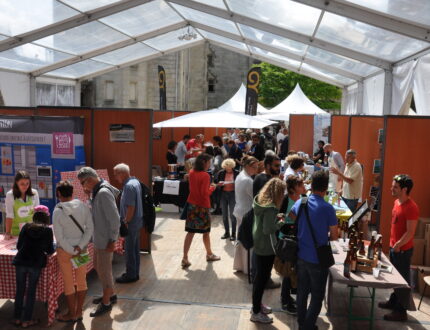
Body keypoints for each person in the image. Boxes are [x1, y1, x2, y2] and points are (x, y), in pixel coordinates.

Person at [290, 170, 338, 330]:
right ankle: (308, 326)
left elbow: (291, 217)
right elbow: (334, 236)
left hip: (301, 256)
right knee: (317, 296)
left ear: (311, 185)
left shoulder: (302, 202)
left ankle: (302, 323)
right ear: (325, 189)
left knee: (302, 292)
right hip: (318, 259)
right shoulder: (328, 208)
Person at [77, 167, 120, 317]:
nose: (83, 186)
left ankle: (106, 303)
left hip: (105, 240)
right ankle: (111, 294)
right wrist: (89, 197)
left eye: (83, 183)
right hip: (99, 237)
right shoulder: (98, 189)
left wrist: (112, 240)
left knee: (104, 271)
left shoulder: (102, 193)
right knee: (98, 266)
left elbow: (115, 219)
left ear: (89, 180)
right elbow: (97, 210)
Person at [378, 174, 418, 322]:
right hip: (395, 248)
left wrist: (398, 245)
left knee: (402, 282)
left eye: (395, 187)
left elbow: (410, 232)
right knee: (395, 278)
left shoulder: (411, 207)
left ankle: (401, 312)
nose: (391, 188)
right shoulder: (396, 202)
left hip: (402, 250)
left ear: (404, 189)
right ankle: (394, 301)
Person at [53, 181, 94, 323]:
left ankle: (71, 313)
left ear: (58, 194)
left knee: (68, 283)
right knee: (82, 281)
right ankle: (79, 312)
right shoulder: (82, 206)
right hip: (81, 249)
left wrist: (71, 250)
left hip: (65, 251)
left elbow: (59, 237)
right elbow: (89, 228)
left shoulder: (57, 210)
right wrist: (80, 246)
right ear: (73, 192)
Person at [250, 178, 287, 324]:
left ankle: (257, 305)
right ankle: (256, 312)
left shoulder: (260, 201)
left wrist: (274, 219)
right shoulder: (271, 208)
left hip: (258, 243)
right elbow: (269, 229)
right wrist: (281, 221)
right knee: (262, 279)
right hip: (266, 247)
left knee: (259, 278)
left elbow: (265, 222)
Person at [12, 206, 54, 328]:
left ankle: (16, 318)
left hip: (21, 261)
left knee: (20, 290)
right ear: (46, 219)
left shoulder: (26, 227)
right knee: (30, 292)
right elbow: (49, 250)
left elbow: (19, 246)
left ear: (34, 218)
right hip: (35, 263)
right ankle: (26, 320)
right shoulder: (47, 231)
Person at [181, 153, 220, 268]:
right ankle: (209, 254)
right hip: (203, 206)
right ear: (204, 162)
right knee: (206, 232)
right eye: (209, 162)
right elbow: (205, 193)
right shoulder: (205, 176)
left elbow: (193, 189)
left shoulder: (192, 172)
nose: (210, 165)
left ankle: (185, 257)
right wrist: (213, 187)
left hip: (192, 205)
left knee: (190, 232)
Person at [278, 175, 305, 315]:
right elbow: (280, 217)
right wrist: (288, 220)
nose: (304, 186)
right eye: (301, 185)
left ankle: (288, 298)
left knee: (290, 271)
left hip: (294, 238)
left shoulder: (300, 199)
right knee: (287, 272)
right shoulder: (286, 199)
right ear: (295, 187)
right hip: (286, 240)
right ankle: (285, 302)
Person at [113, 163, 143, 283]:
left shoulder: (129, 186)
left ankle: (130, 275)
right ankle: (135, 273)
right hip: (137, 222)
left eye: (116, 174)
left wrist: (126, 221)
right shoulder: (135, 182)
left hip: (131, 223)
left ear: (122, 173)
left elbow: (131, 207)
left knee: (130, 250)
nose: (115, 177)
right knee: (135, 249)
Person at [233, 156, 259, 274]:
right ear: (248, 166)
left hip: (240, 211)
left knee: (240, 240)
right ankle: (248, 268)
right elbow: (256, 197)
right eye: (255, 167)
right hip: (246, 213)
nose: (256, 169)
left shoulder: (240, 175)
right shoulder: (248, 180)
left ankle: (240, 266)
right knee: (247, 241)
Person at [4, 171, 40, 239]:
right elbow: (9, 215)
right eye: (22, 184)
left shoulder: (34, 193)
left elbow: (37, 213)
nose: (25, 186)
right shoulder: (10, 195)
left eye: (27, 183)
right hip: (16, 233)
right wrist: (8, 233)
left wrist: (38, 230)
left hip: (31, 232)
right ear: (17, 183)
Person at [215, 158, 239, 241]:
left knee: (233, 215)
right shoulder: (221, 173)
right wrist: (219, 184)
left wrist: (235, 184)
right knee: (224, 215)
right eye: (226, 167)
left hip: (233, 194)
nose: (227, 169)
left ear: (232, 166)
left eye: (229, 167)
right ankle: (227, 232)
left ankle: (233, 234)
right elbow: (216, 183)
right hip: (223, 194)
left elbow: (239, 184)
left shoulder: (237, 173)